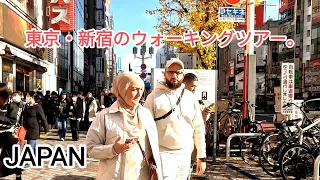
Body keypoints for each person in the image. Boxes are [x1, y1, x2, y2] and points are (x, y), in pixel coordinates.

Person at [86, 72, 163, 180]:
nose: (139, 94)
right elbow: (90, 149)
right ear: (122, 89)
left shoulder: (146, 114)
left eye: (141, 89)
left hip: (142, 176)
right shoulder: (105, 116)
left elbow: (154, 148)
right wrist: (113, 149)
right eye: (134, 89)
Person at [144, 59, 206, 179]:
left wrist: (201, 157)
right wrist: (148, 156)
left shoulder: (191, 98)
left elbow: (198, 127)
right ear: (164, 74)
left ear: (183, 75)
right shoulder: (153, 97)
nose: (174, 76)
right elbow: (146, 129)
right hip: (163, 153)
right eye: (171, 72)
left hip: (186, 152)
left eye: (178, 73)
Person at [183, 73, 213, 179]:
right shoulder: (172, 98)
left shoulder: (193, 99)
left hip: (190, 146)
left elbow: (199, 123)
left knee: (187, 172)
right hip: (175, 147)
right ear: (184, 83)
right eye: (192, 86)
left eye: (195, 87)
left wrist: (205, 112)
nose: (194, 89)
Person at [0, 84, 23, 180]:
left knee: (14, 156)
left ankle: (18, 174)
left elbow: (12, 122)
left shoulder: (13, 105)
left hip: (9, 133)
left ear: (3, 96)